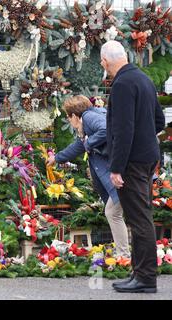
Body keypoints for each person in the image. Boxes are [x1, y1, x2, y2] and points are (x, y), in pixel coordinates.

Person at [101, 40, 165, 293]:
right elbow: (158, 120)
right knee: (140, 216)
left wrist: (116, 168)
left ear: (106, 62)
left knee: (139, 219)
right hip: (146, 158)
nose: (103, 66)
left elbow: (123, 129)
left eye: (102, 63)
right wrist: (146, 139)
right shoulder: (143, 79)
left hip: (132, 163)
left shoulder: (122, 84)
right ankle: (139, 273)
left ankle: (146, 278)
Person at [47, 95, 130, 261]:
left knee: (113, 213)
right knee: (118, 213)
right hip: (123, 173)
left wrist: (89, 143)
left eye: (68, 117)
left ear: (74, 116)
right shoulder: (89, 121)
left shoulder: (89, 117)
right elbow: (79, 146)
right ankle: (128, 253)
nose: (69, 121)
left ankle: (124, 256)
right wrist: (57, 158)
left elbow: (105, 131)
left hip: (122, 174)